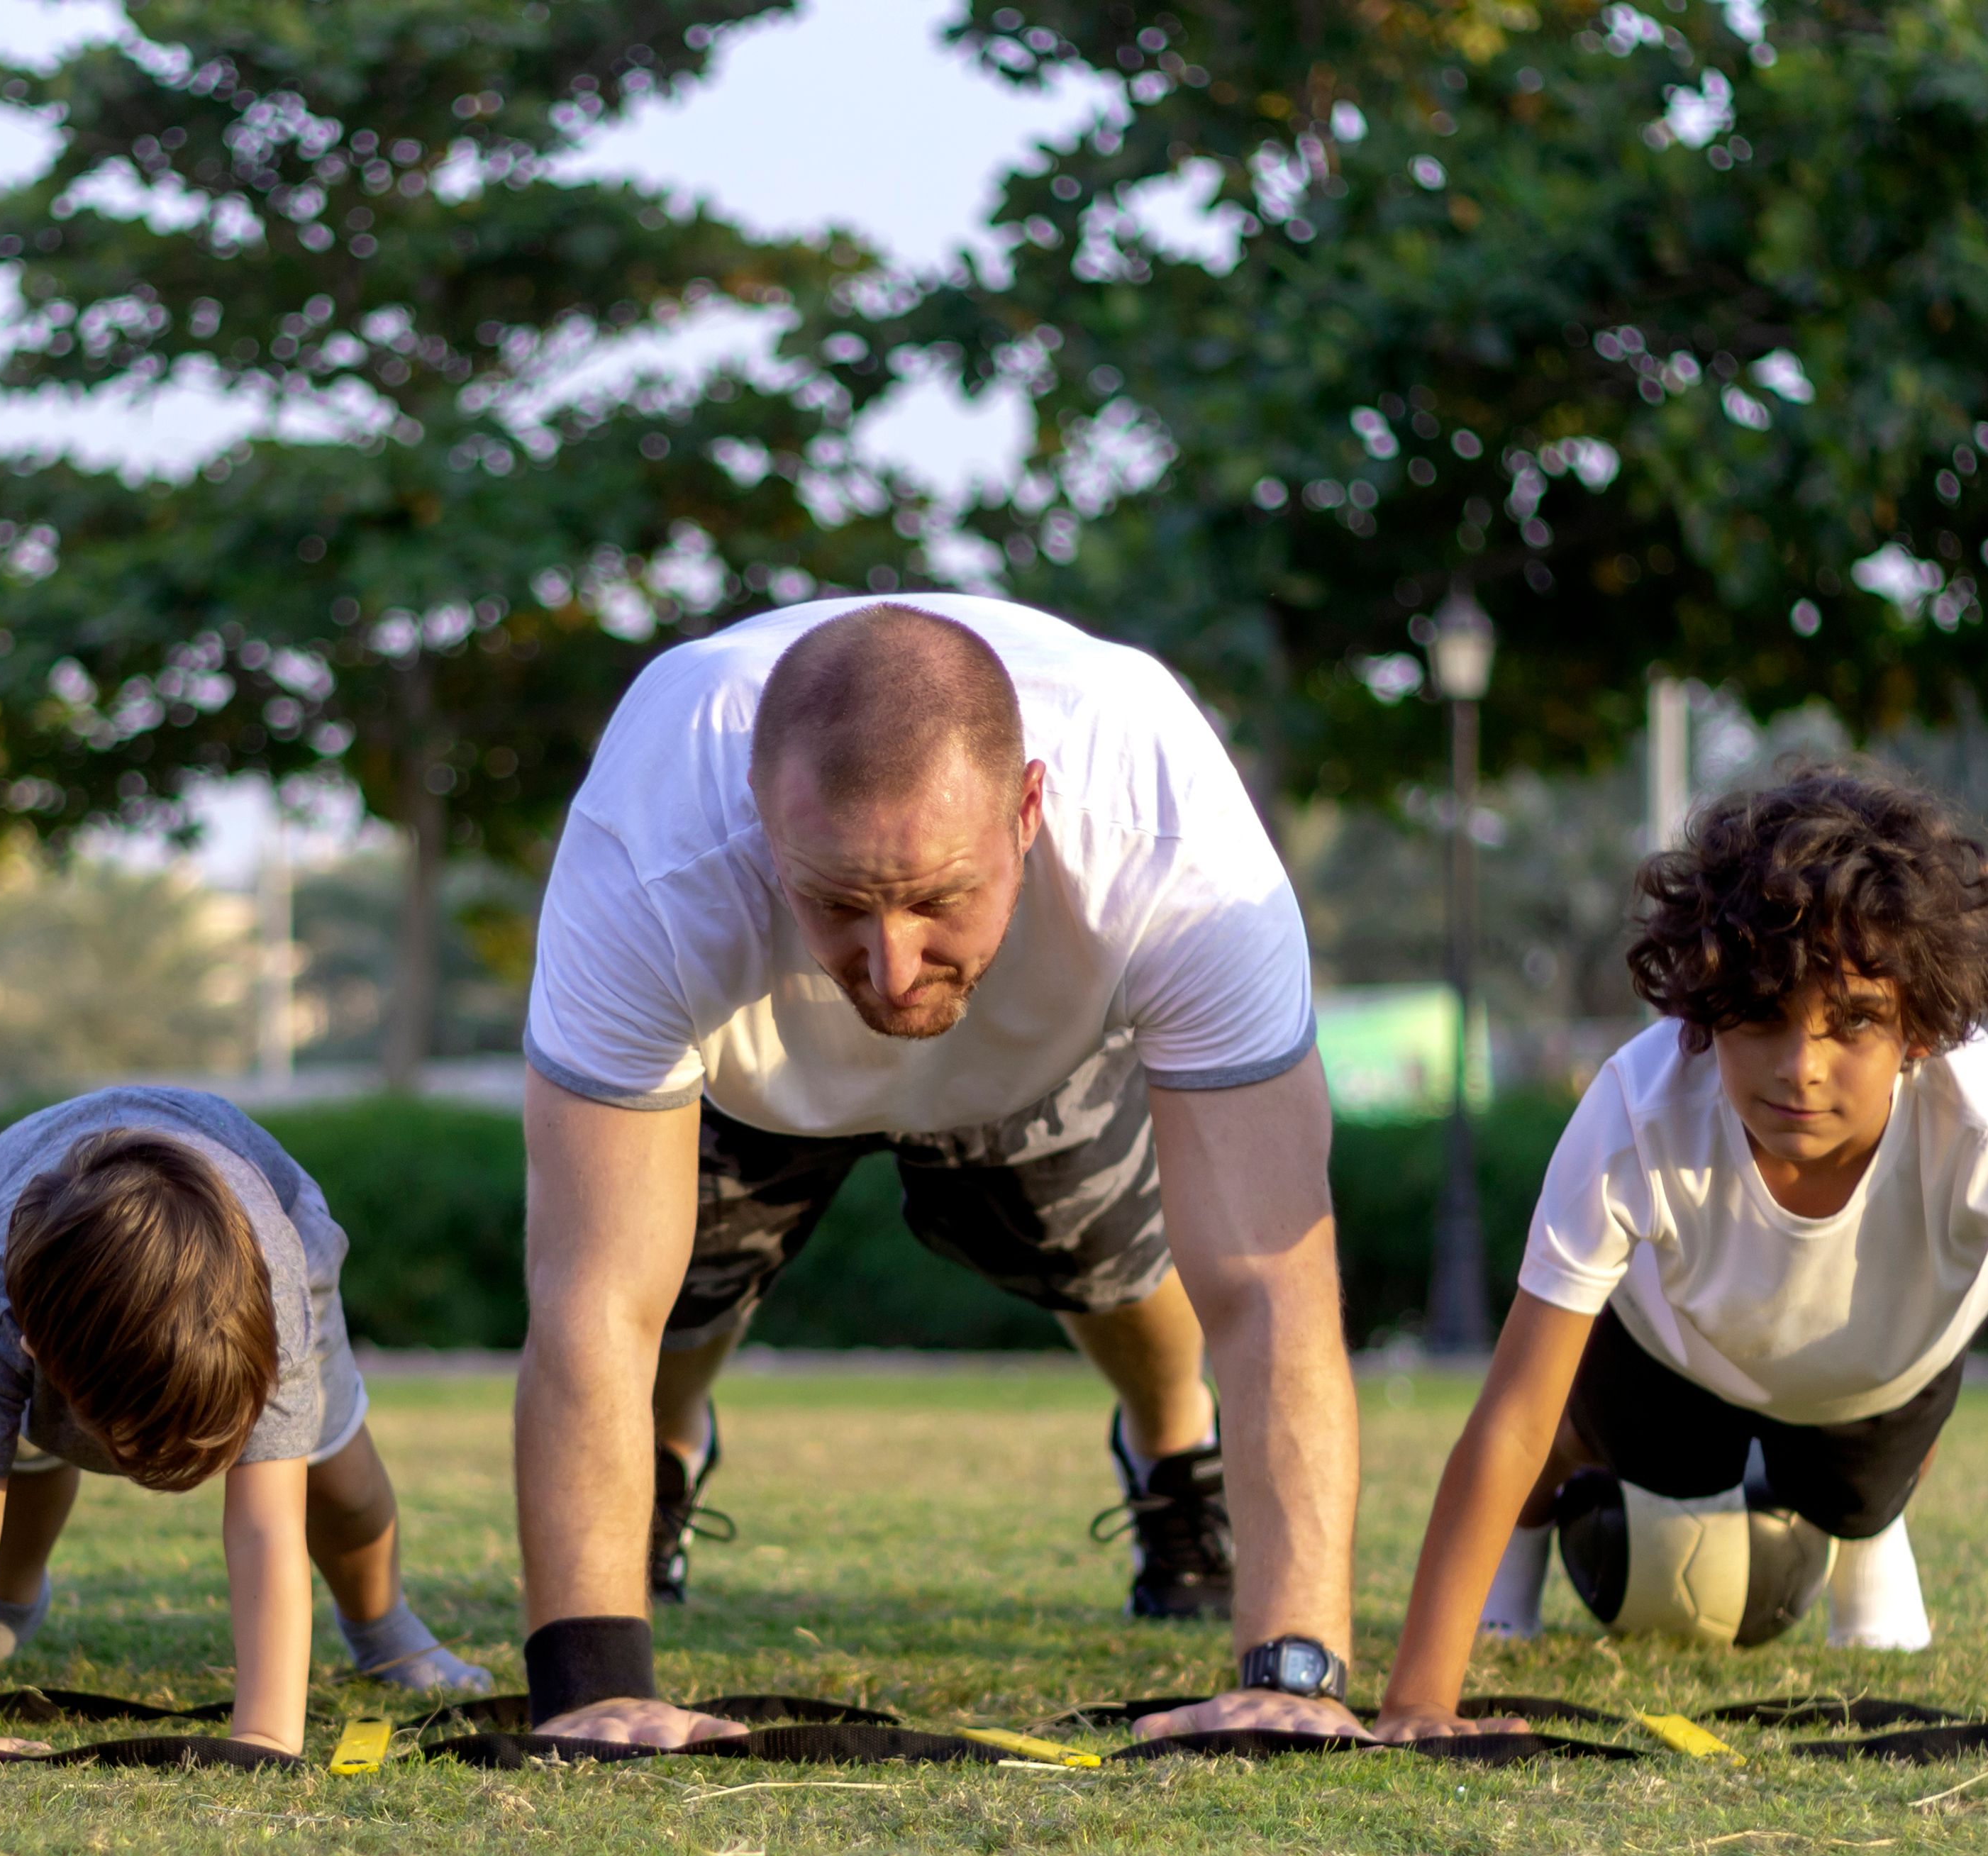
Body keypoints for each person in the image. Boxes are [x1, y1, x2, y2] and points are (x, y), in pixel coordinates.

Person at [509, 595, 1363, 1748]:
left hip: (1031, 1056)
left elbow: (1272, 1284)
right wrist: (590, 1685)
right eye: (840, 902)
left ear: (1027, 809)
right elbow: (593, 1297)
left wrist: (1294, 1669)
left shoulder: (1168, 837)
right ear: (763, 821)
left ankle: (1174, 1458)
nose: (893, 963)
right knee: (675, 1298)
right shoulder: (649, 844)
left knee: (1110, 1260)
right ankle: (664, 1463)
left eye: (937, 897)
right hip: (742, 1065)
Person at [1367, 768, 1988, 1739]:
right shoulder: (1637, 1108)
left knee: (1853, 1497)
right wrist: (1418, 1701)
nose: (1802, 1067)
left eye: (1853, 1024)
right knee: (1596, 1442)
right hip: (1671, 1357)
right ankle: (1532, 1542)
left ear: (1919, 1029)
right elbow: (1506, 1421)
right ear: (1706, 1010)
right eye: (1762, 1017)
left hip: (1879, 1381)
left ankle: (1873, 1532)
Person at [0, 1088, 489, 1760]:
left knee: (339, 1481)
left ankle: (384, 1625)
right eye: (125, 1439)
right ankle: (6, 1606)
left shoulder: (273, 1301)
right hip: (6, 1207)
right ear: (34, 1349)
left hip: (270, 1228)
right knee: (12, 1456)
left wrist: (265, 1736)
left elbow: (267, 1532)